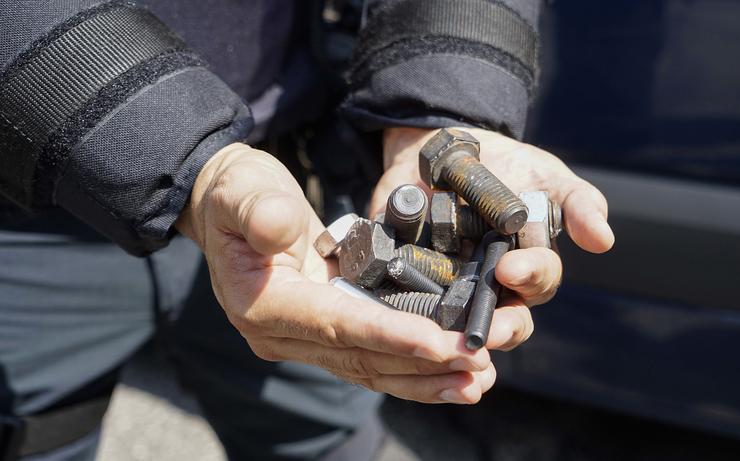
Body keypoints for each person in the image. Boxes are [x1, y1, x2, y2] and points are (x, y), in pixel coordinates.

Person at [0, 1, 614, 459]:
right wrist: (176, 151)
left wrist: (444, 103)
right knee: (34, 435)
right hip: (25, 207)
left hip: (295, 208)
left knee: (327, 438)